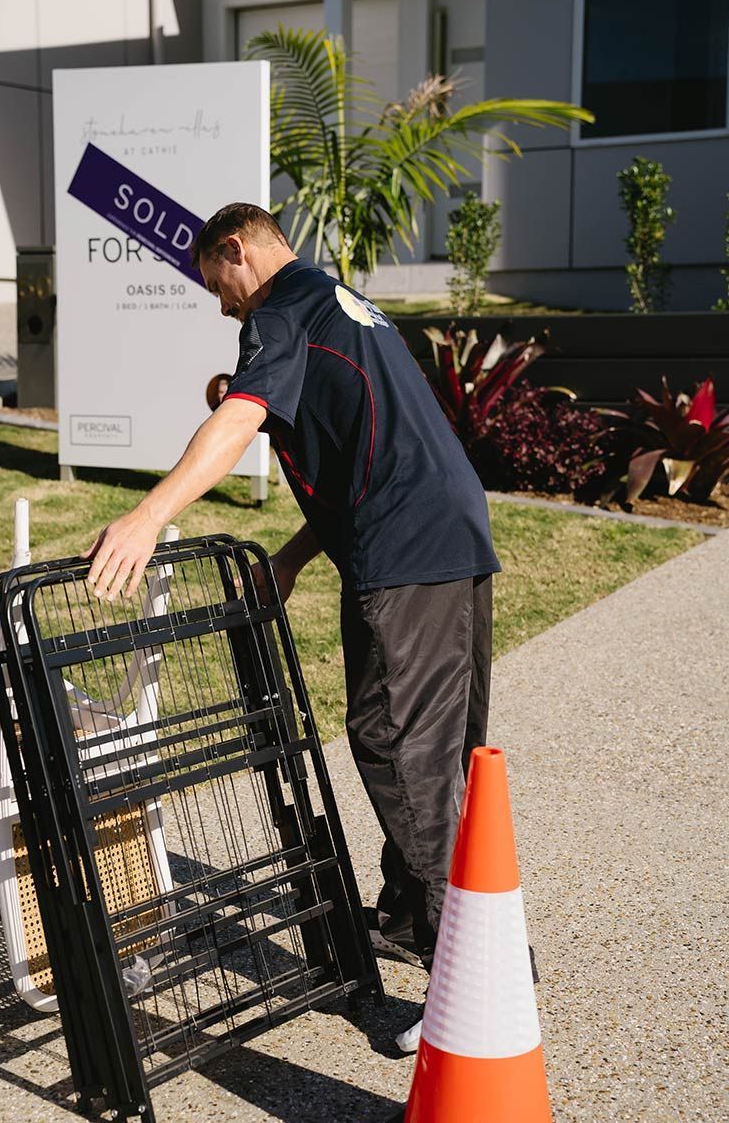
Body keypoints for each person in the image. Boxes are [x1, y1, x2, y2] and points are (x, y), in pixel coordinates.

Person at [85, 203, 500, 1051]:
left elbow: (239, 417)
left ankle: (468, 979)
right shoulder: (340, 303)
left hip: (407, 552)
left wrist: (147, 518)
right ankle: (403, 914)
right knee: (436, 750)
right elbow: (360, 453)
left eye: (219, 286)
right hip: (451, 536)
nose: (224, 307)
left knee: (398, 748)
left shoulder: (281, 309)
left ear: (237, 250)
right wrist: (297, 555)